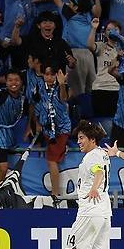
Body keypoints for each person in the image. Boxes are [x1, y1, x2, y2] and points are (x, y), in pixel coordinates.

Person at [65, 120, 116, 249]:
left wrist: (94, 188)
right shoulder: (102, 154)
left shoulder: (91, 157)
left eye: (81, 138)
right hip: (104, 212)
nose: (78, 142)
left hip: (90, 210)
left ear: (92, 139)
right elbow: (103, 165)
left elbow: (98, 172)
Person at [29, 64, 71, 199]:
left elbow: (64, 99)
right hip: (46, 129)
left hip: (60, 130)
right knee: (51, 158)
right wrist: (36, 124)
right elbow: (35, 105)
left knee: (52, 161)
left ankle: (55, 193)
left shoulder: (62, 87)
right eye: (47, 74)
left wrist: (62, 84)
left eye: (52, 74)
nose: (49, 77)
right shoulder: (39, 88)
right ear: (43, 75)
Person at [87, 18, 121, 117]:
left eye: (115, 29)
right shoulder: (101, 46)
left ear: (120, 32)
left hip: (116, 89)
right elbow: (89, 45)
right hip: (100, 88)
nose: (112, 32)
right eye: (109, 30)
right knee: (100, 124)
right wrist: (93, 28)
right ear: (105, 34)